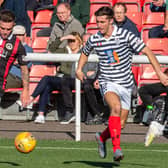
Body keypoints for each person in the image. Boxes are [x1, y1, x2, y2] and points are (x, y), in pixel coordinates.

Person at [76, 6, 168, 163]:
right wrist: (79, 69)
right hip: (107, 81)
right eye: (97, 22)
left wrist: (159, 73)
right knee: (115, 108)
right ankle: (117, 149)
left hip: (125, 83)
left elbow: (147, 51)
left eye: (103, 22)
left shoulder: (125, 35)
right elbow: (85, 52)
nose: (99, 25)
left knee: (120, 124)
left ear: (111, 21)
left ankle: (102, 137)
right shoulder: (95, 38)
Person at [27, 32, 82, 124]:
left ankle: (31, 98)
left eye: (73, 41)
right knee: (47, 85)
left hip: (73, 79)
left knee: (47, 79)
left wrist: (62, 68)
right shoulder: (64, 50)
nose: (71, 43)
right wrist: (63, 38)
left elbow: (73, 71)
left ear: (79, 42)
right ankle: (40, 115)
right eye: (69, 41)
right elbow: (51, 50)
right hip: (62, 80)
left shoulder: (83, 52)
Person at [60, 33, 103, 125]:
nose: (86, 44)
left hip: (93, 80)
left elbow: (100, 70)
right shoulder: (79, 53)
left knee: (87, 86)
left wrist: (94, 74)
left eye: (88, 41)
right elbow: (73, 72)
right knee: (65, 81)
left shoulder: (99, 53)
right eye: (84, 42)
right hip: (80, 78)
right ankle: (70, 111)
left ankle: (96, 113)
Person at [0, 9, 29, 107]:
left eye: (8, 29)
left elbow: (24, 69)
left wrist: (25, 90)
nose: (5, 32)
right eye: (2, 28)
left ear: (13, 26)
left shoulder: (17, 45)